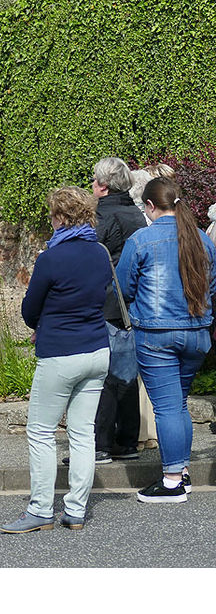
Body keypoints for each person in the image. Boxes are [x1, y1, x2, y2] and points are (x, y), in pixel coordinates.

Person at [0, 187, 112, 533]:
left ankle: (40, 509)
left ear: (61, 218)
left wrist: (45, 322)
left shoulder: (51, 257)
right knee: (82, 433)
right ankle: (76, 510)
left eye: (52, 215)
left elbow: (30, 309)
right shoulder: (101, 252)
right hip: (97, 350)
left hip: (61, 353)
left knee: (41, 431)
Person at [117, 177, 216, 503]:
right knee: (178, 404)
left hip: (157, 336)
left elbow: (124, 286)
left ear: (149, 205)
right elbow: (211, 286)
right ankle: (182, 473)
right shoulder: (202, 238)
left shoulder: (141, 239)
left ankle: (172, 481)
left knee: (168, 408)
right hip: (197, 334)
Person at [89, 158, 147, 464]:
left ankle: (101, 443)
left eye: (94, 181)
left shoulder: (102, 215)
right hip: (131, 302)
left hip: (105, 303)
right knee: (126, 374)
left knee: (105, 376)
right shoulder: (135, 214)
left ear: (103, 186)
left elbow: (89, 256)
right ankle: (127, 441)